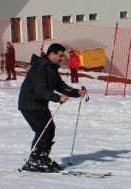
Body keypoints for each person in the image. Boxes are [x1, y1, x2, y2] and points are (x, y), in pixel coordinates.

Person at [18, 43, 86, 172]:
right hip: (29, 103)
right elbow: (40, 89)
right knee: (43, 131)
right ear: (52, 54)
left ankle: (43, 157)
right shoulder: (39, 68)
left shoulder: (52, 68)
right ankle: (33, 160)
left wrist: (76, 92)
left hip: (40, 104)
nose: (62, 58)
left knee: (50, 129)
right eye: (60, 56)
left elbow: (59, 85)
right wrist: (57, 98)